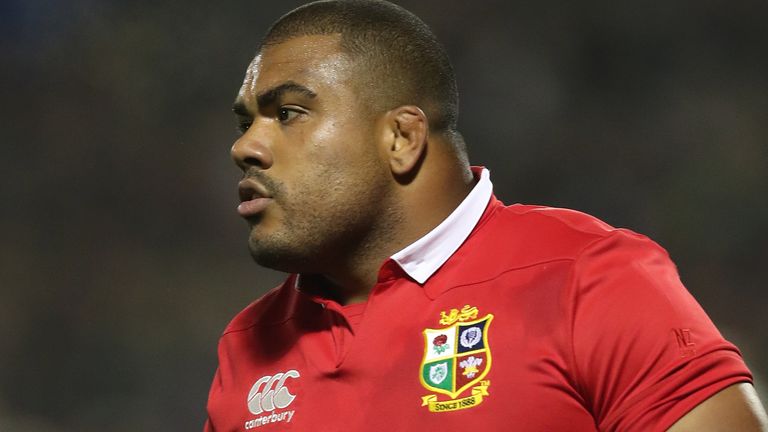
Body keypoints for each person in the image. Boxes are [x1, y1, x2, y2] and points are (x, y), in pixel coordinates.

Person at [204, 1, 768, 430]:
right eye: (246, 122)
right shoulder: (249, 343)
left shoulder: (588, 278)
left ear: (401, 137)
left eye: (289, 112)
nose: (246, 147)